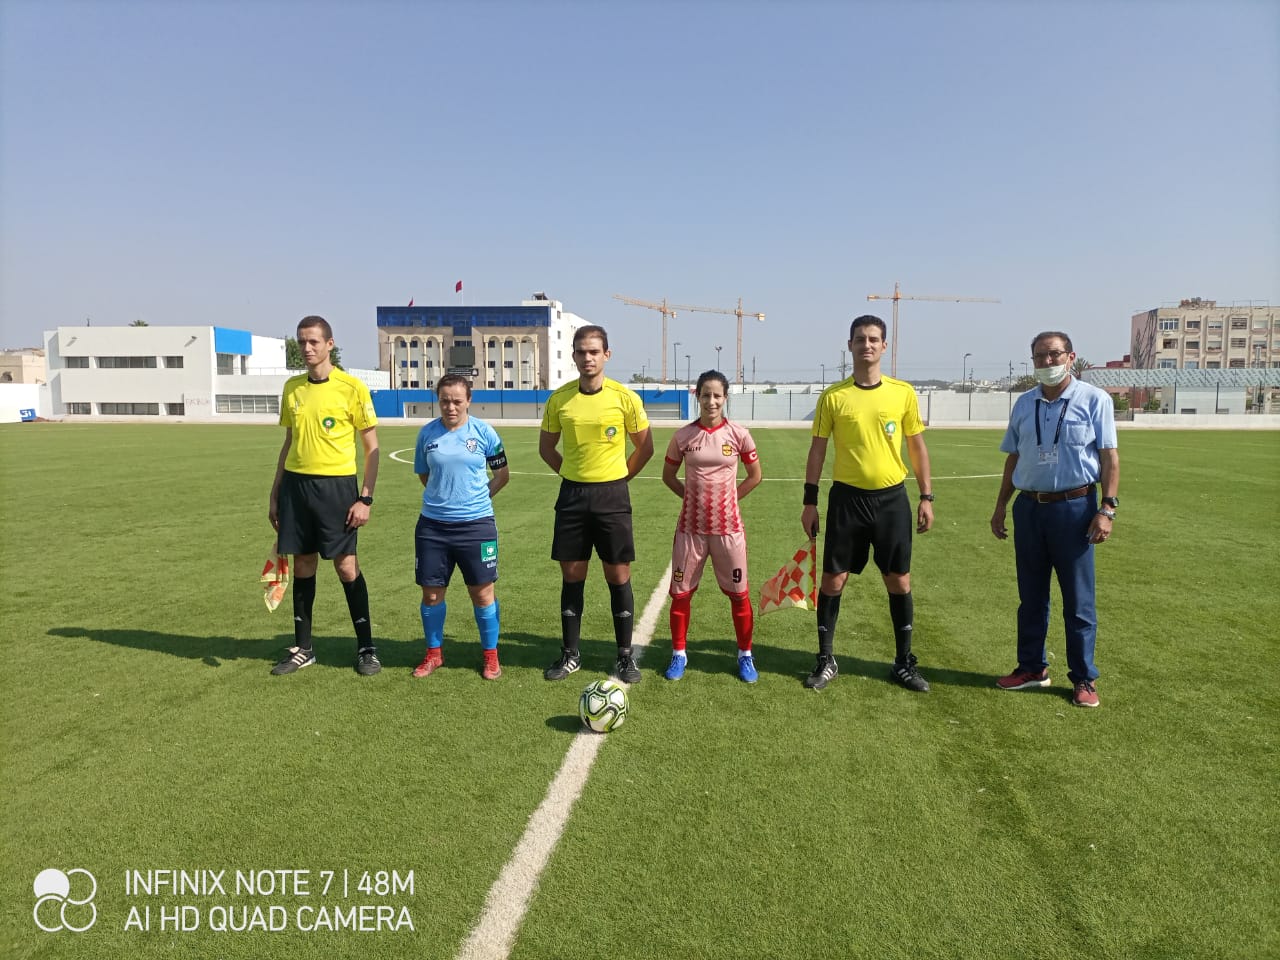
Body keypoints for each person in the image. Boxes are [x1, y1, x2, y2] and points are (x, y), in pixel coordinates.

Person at [799, 314, 934, 692]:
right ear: (850, 346)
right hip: (847, 500)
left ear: (884, 346)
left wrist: (926, 496)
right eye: (860, 339)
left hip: (892, 500)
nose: (867, 345)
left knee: (898, 579)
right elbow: (817, 450)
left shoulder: (902, 393)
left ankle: (903, 662)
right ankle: (826, 659)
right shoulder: (834, 396)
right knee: (833, 579)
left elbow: (917, 447)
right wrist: (810, 502)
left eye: (874, 339)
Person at [990, 331, 1118, 708]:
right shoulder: (1024, 403)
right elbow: (1013, 457)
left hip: (1075, 508)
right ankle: (1032, 668)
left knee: (1078, 600)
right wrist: (1001, 505)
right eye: (1040, 357)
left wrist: (1107, 509)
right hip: (1030, 507)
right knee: (1031, 596)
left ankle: (1083, 678)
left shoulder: (1094, 399)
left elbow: (1109, 457)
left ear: (1070, 357)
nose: (1047, 362)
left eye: (1054, 354)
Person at [539, 324, 654, 683]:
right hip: (573, 496)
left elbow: (645, 447)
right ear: (573, 356)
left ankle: (624, 657)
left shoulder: (625, 397)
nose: (587, 358)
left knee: (618, 576)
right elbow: (546, 448)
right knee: (572, 576)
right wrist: (573, 474)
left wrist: (619, 478)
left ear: (607, 354)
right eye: (581, 352)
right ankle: (570, 654)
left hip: (612, 496)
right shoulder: (559, 399)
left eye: (594, 351)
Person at [269, 316, 381, 676]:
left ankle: (367, 648)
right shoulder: (292, 388)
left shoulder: (352, 387)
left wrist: (365, 498)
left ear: (329, 344)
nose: (307, 348)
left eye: (314, 341)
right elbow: (289, 442)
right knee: (303, 564)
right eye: (301, 342)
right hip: (297, 487)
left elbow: (372, 448)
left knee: (346, 566)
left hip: (337, 488)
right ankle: (303, 648)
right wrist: (275, 492)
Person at [661, 370, 762, 682]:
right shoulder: (683, 437)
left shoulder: (739, 435)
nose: (712, 401)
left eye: (717, 395)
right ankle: (679, 654)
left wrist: (730, 500)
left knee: (739, 596)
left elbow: (755, 476)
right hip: (690, 531)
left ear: (725, 398)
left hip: (729, 531)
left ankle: (745, 655)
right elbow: (668, 477)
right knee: (681, 595)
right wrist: (690, 498)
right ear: (698, 397)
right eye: (706, 395)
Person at [411, 375, 510, 680]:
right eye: (444, 401)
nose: (450, 407)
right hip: (433, 528)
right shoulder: (427, 434)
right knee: (431, 595)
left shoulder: (484, 432)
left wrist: (476, 500)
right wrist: (445, 500)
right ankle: (434, 654)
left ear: (469, 400)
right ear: (438, 401)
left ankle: (491, 656)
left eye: (456, 401)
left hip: (477, 527)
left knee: (482, 593)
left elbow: (502, 475)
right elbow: (424, 475)